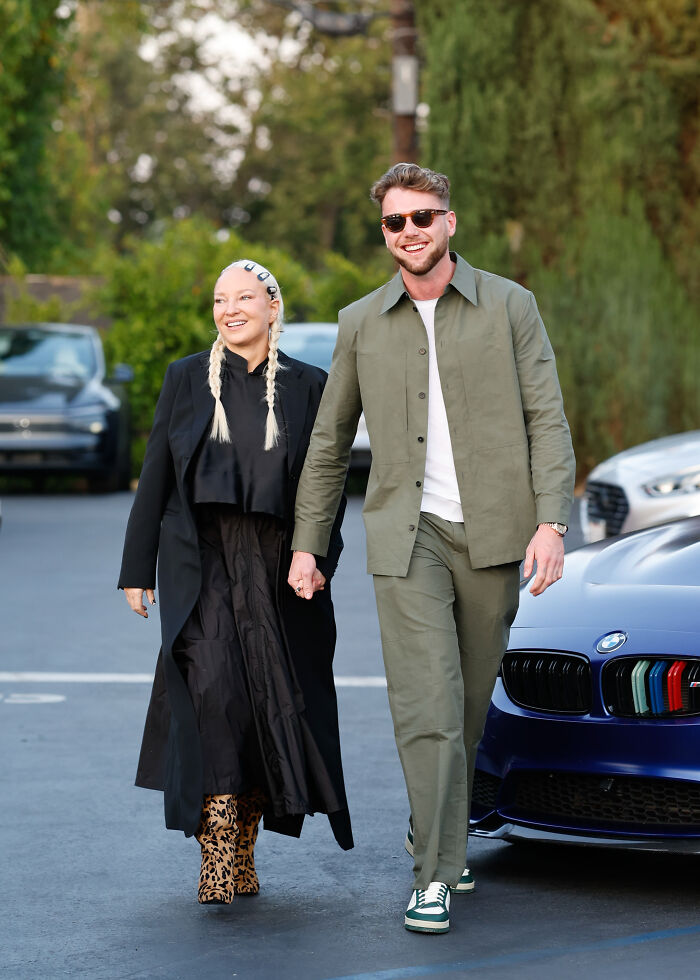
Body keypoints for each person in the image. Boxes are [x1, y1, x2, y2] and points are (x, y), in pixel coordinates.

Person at [288, 163, 575, 934]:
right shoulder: (360, 322)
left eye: (422, 217)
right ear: (383, 233)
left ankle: (435, 825)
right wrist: (309, 544)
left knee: (468, 706)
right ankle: (435, 874)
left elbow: (546, 415)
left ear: (449, 222)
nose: (409, 231)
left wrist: (551, 520)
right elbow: (327, 444)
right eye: (394, 222)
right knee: (428, 708)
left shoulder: (511, 306)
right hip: (403, 537)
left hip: (492, 535)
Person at [119, 258, 353, 906]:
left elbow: (324, 485)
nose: (231, 309)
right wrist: (137, 569)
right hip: (204, 560)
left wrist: (316, 555)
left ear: (272, 306)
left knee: (264, 709)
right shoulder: (186, 379)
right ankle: (216, 849)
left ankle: (245, 843)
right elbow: (156, 477)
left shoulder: (310, 386)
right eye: (221, 299)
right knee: (213, 696)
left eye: (244, 297)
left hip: (280, 567)